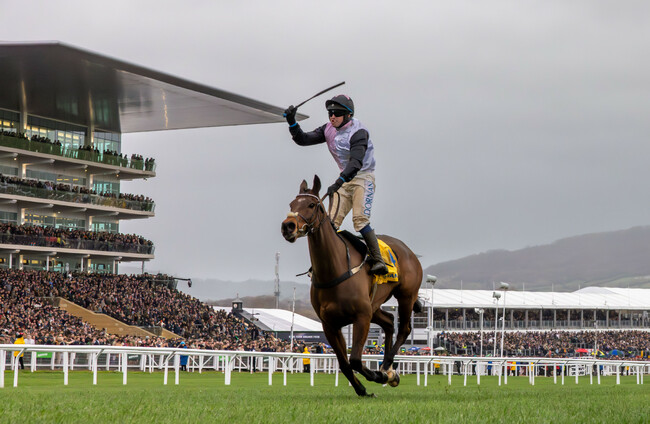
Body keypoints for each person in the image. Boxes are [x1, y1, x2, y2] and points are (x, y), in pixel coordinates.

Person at [284, 95, 388, 275]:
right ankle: (322, 264)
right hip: (344, 178)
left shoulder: (359, 132)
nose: (332, 117)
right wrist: (292, 123)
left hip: (363, 178)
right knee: (330, 223)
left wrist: (339, 181)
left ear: (348, 115)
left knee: (360, 220)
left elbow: (355, 163)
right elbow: (303, 139)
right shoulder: (328, 129)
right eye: (330, 113)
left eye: (337, 113)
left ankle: (378, 259)